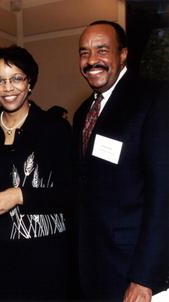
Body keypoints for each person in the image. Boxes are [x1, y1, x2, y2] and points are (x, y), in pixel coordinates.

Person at [0, 45, 72, 300]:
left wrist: (19, 195)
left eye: (16, 79)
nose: (8, 88)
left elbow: (71, 193)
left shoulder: (54, 129)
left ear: (30, 82)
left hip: (43, 258)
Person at [73, 20, 169, 301]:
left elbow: (163, 194)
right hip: (93, 267)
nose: (92, 61)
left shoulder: (153, 99)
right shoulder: (83, 112)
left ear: (123, 54)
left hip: (133, 270)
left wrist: (143, 277)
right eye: (84, 52)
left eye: (102, 50)